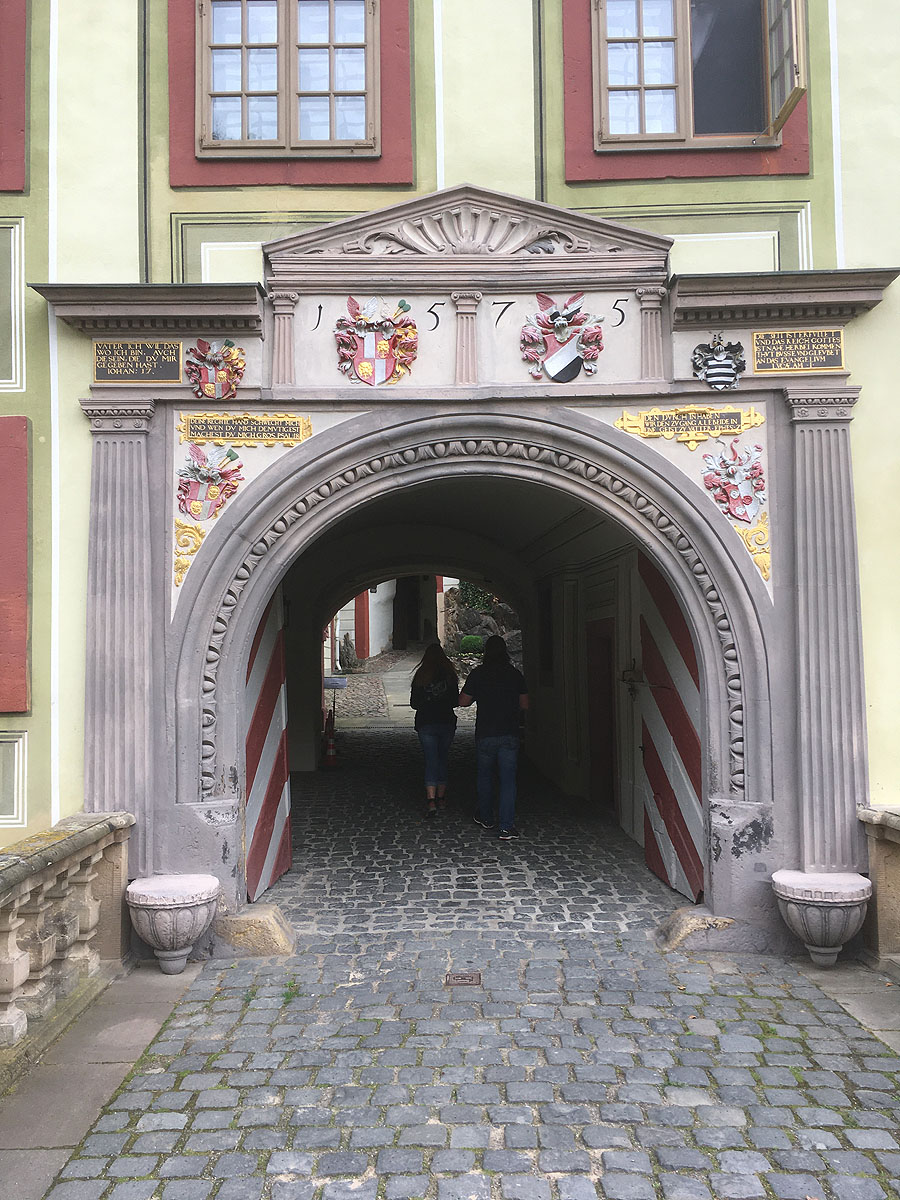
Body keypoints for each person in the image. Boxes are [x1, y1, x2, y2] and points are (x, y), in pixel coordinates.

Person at [458, 634, 528, 840]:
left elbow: (463, 701)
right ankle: (506, 826)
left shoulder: (478, 674)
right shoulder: (515, 675)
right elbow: (525, 704)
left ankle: (486, 817)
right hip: (509, 733)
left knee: (485, 777)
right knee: (508, 781)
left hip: (486, 733)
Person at [409, 643, 460, 817]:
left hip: (426, 723)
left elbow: (414, 703)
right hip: (446, 722)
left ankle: (431, 799)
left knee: (431, 760)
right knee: (442, 758)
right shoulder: (450, 676)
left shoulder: (421, 676)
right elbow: (455, 701)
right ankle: (441, 797)